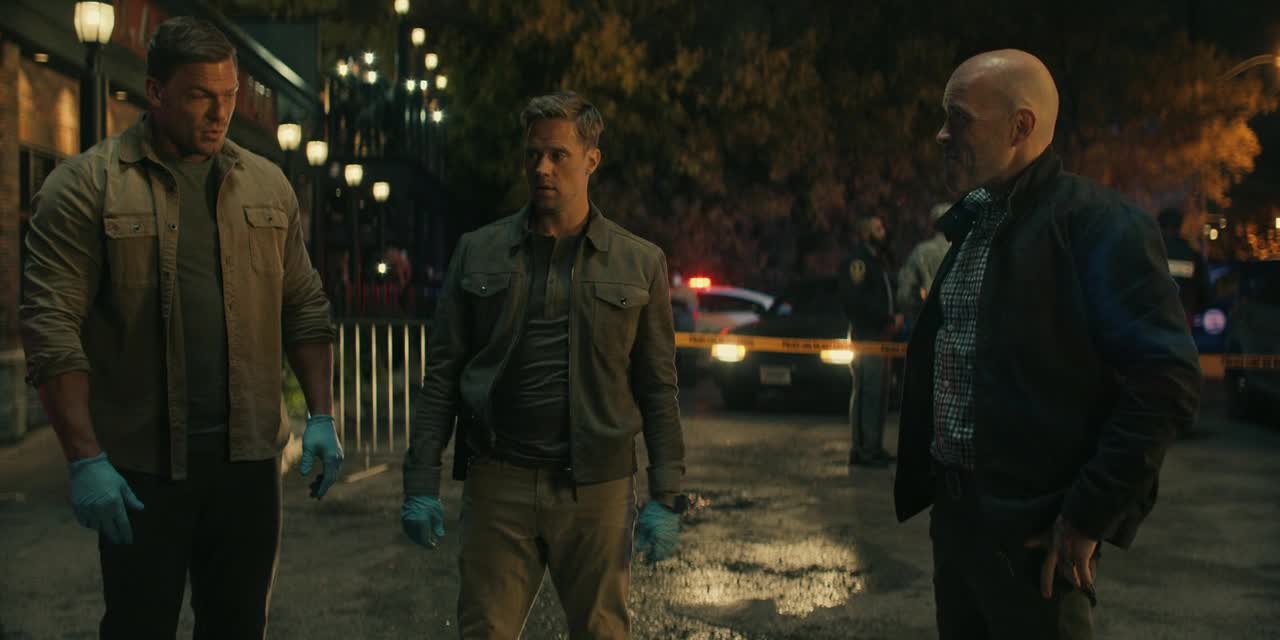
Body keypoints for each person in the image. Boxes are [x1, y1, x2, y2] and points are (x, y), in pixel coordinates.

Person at [20, 17, 341, 638]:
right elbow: (50, 324)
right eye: (200, 96)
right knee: (139, 625)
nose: (221, 113)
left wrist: (322, 415)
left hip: (247, 463)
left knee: (238, 624)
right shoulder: (88, 186)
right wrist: (84, 458)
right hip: (143, 466)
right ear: (155, 92)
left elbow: (303, 302)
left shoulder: (265, 184)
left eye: (229, 95)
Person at [894, 49, 1200, 638]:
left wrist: (1087, 515)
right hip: (958, 524)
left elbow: (1166, 381)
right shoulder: (976, 222)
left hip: (1036, 534)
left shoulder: (1097, 224)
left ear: (1020, 127)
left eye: (959, 119)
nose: (941, 135)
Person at [400, 91, 686, 638]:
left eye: (558, 155)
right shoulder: (478, 251)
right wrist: (421, 480)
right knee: (484, 632)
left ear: (592, 160)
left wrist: (666, 493)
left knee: (603, 632)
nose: (542, 168)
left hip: (597, 489)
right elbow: (443, 377)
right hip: (498, 481)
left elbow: (657, 386)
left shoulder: (638, 262)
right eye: (533, 154)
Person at [839, 215, 902, 468]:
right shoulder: (859, 262)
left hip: (880, 336)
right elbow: (855, 302)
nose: (883, 232)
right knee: (868, 392)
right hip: (868, 337)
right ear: (865, 234)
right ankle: (864, 450)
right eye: (878, 228)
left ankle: (873, 446)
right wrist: (885, 318)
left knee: (879, 394)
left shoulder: (877, 261)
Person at [896, 203, 953, 331]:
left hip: (928, 325)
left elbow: (904, 295)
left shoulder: (920, 252)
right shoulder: (967, 251)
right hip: (961, 329)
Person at [1157, 207, 1212, 327]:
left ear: (1160, 227)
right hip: (1184, 315)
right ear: (1179, 227)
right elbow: (1204, 290)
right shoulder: (1191, 255)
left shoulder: (1152, 252)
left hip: (1154, 316)